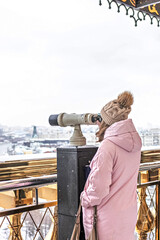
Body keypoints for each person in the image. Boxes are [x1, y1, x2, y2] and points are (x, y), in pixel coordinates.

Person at [80, 91, 142, 240]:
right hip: (127, 212)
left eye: (100, 118)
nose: (97, 122)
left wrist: (84, 198)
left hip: (107, 218)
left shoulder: (107, 147)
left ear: (106, 122)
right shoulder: (135, 145)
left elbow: (99, 189)